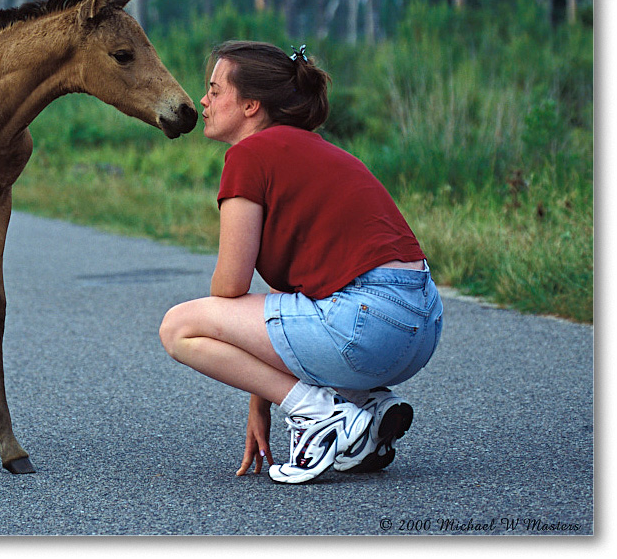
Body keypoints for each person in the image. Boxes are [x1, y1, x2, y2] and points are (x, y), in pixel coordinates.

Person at [159, 41, 443, 484]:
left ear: (251, 104)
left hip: (366, 326)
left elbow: (230, 286)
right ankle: (364, 409)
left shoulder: (248, 156)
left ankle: (320, 417)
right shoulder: (312, 149)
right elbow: (287, 303)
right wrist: (262, 399)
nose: (204, 101)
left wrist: (291, 400)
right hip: (419, 327)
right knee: (307, 313)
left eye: (215, 90)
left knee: (179, 327)